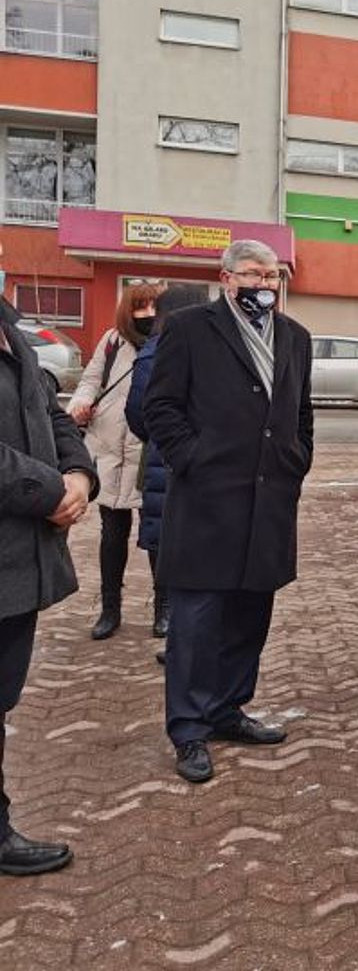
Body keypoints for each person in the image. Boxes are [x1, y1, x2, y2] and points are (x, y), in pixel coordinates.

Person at [143, 240, 313, 784]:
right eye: (252, 274)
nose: (263, 283)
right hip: (207, 501)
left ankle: (228, 708)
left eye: (272, 275)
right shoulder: (191, 328)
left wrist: (296, 461)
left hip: (269, 502)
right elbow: (160, 407)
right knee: (196, 621)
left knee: (250, 612)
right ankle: (189, 729)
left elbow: (300, 410)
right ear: (226, 277)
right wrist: (192, 459)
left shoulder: (295, 337)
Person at [0, 287, 97, 875]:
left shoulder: (14, 334)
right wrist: (51, 491)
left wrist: (80, 474)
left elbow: (52, 414)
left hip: (17, 565)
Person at [67, 282, 162, 640]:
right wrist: (80, 403)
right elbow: (90, 380)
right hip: (108, 451)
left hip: (148, 456)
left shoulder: (168, 343)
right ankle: (110, 609)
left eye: (155, 305)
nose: (148, 313)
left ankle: (163, 610)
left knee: (157, 537)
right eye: (141, 306)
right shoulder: (111, 342)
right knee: (112, 536)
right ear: (128, 309)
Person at [126, 286, 212, 667]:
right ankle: (186, 634)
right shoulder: (211, 345)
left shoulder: (155, 348)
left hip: (165, 459)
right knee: (195, 548)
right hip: (198, 462)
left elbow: (139, 413)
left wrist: (166, 439)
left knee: (167, 543)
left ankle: (171, 622)